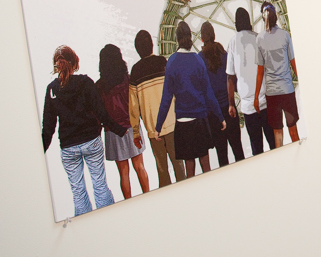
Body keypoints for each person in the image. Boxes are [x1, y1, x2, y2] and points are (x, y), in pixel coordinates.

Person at [42, 45, 127, 216]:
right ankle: (110, 221)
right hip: (91, 142)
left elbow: (48, 127)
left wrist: (40, 152)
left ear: (57, 65)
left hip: (68, 147)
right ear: (75, 63)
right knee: (100, 185)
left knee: (78, 193)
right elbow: (100, 112)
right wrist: (119, 129)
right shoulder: (85, 83)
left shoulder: (52, 89)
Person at [156, 21, 225, 177]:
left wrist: (158, 126)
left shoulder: (172, 62)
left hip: (182, 121)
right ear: (191, 37)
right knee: (206, 164)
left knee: (190, 168)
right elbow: (208, 94)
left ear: (177, 38)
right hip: (200, 119)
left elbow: (166, 98)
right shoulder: (197, 60)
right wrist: (220, 116)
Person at [129, 29, 186, 188]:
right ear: (152, 45)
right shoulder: (163, 63)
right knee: (179, 166)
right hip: (172, 123)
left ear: (137, 49)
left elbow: (133, 107)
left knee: (162, 169)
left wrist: (135, 131)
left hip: (154, 130)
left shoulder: (135, 72)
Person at [96, 44, 150, 200]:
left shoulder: (99, 86)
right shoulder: (128, 80)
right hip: (132, 127)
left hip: (113, 132)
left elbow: (100, 112)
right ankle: (149, 198)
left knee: (124, 173)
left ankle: (129, 204)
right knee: (140, 167)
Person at [227, 7, 276, 156]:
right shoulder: (258, 38)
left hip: (248, 107)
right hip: (265, 102)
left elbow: (230, 77)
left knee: (257, 150)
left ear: (236, 23)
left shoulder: (233, 43)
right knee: (274, 144)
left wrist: (231, 104)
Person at [255, 2, 300, 147]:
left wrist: (256, 97)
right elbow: (293, 63)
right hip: (287, 90)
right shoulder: (285, 35)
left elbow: (260, 72)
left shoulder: (260, 39)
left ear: (263, 18)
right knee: (293, 131)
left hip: (272, 93)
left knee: (277, 134)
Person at [200, 21, 245, 167]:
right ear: (214, 35)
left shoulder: (200, 60)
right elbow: (235, 82)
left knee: (222, 158)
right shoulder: (224, 55)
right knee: (239, 152)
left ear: (201, 39)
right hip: (230, 109)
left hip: (213, 116)